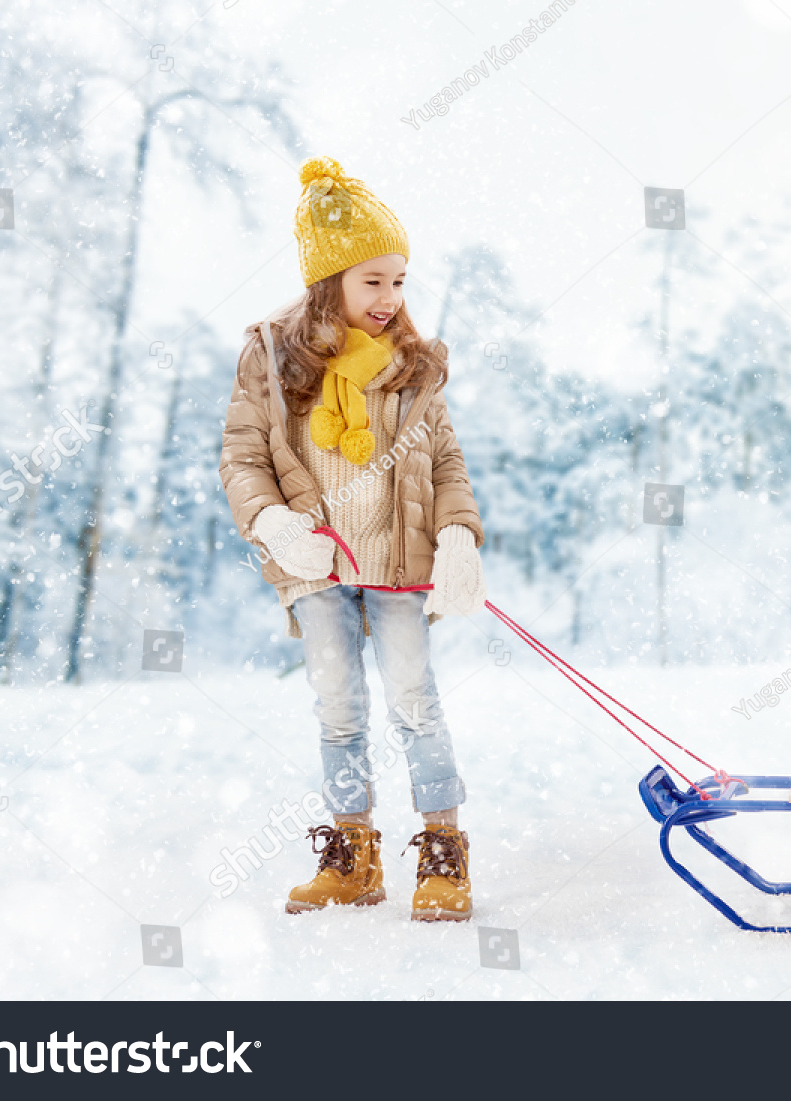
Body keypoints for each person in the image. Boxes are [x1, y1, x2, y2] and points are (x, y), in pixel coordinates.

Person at [219, 156, 486, 921]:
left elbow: (443, 460)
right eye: (373, 280)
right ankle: (353, 853)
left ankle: (442, 850)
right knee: (338, 706)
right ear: (328, 278)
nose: (390, 298)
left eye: (399, 281)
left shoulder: (411, 365)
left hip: (397, 563)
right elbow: (243, 456)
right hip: (317, 561)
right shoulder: (270, 356)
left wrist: (460, 536)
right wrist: (272, 524)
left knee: (413, 698)